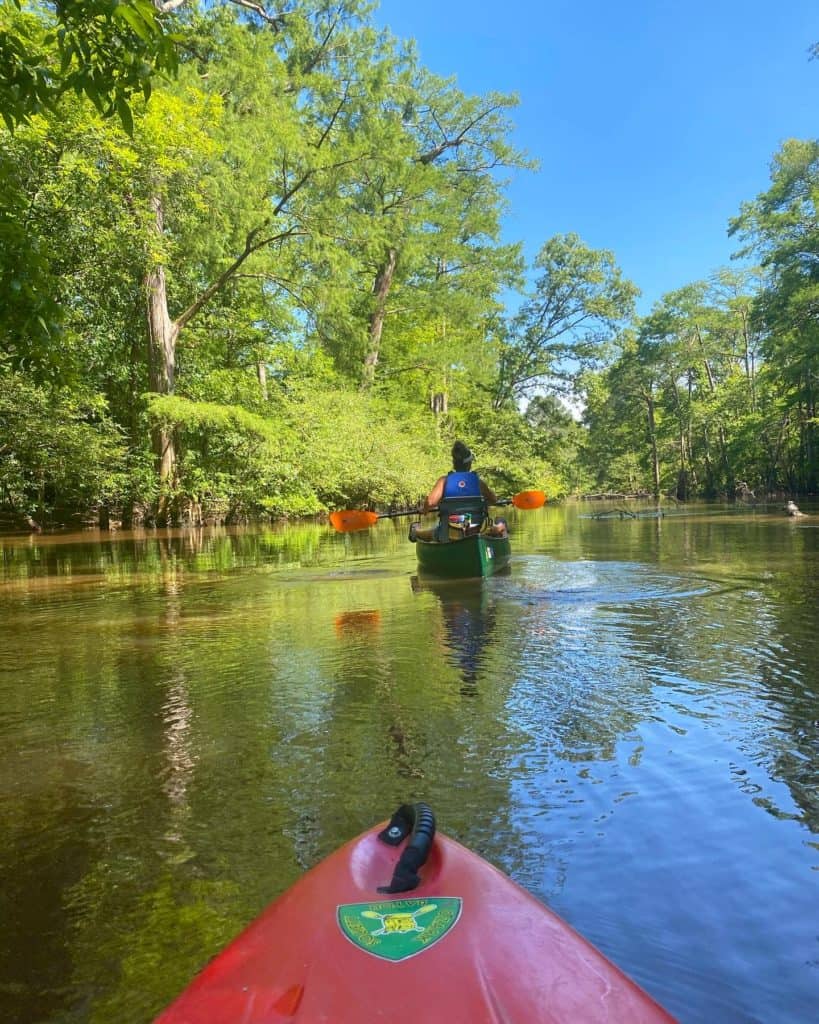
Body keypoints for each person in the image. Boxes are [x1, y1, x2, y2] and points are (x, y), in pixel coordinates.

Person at [410, 441, 507, 542]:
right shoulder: (478, 482)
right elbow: (494, 500)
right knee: (500, 524)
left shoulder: (444, 481)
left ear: (454, 464)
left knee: (436, 531)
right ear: (469, 463)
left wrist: (424, 510)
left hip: (449, 533)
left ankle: (416, 531)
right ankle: (501, 525)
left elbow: (430, 502)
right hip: (477, 531)